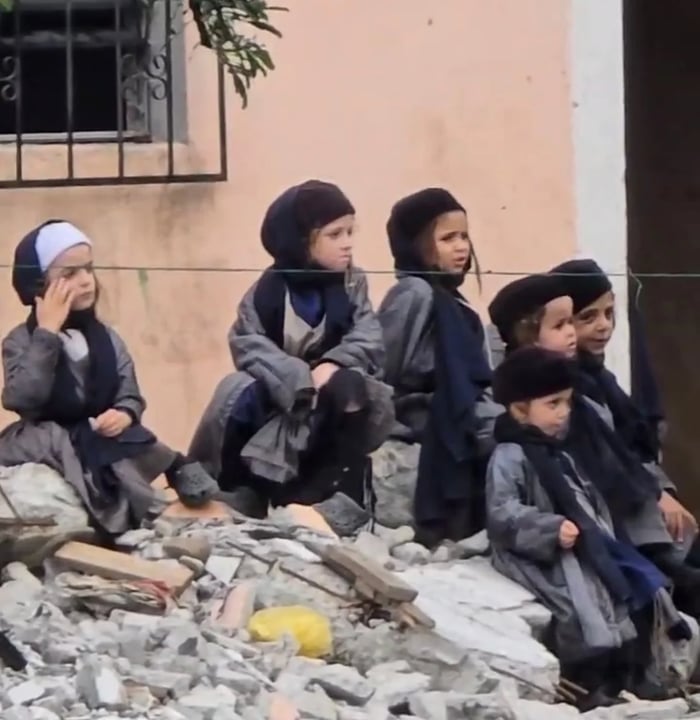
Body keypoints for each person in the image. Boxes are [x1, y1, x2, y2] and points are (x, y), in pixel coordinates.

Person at [487, 347, 683, 708]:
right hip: (541, 553)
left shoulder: (560, 452)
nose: (564, 413)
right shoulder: (510, 456)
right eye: (553, 404)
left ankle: (627, 679)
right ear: (519, 409)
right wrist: (550, 528)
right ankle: (584, 686)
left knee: (627, 590)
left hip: (584, 546)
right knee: (577, 605)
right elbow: (503, 514)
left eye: (567, 403)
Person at [188, 180, 394, 518]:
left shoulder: (352, 282)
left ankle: (338, 491)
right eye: (334, 235)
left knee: (350, 388)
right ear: (301, 241)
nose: (347, 244)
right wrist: (297, 379)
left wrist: (332, 363)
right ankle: (239, 489)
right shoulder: (266, 293)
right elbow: (248, 344)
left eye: (350, 232)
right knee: (236, 390)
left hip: (331, 396)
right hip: (283, 395)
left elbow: (368, 334)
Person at [0, 220, 218, 537]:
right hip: (46, 435)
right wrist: (47, 333)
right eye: (69, 275)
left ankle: (175, 472)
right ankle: (117, 516)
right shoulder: (22, 341)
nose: (86, 281)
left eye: (88, 269)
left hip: (97, 429)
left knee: (136, 440)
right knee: (78, 450)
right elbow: (23, 399)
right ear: (39, 286)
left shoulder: (106, 338)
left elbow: (129, 391)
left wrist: (125, 413)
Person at [550, 259, 700, 594]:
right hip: (624, 527)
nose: (603, 326)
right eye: (587, 317)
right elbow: (606, 464)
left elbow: (634, 448)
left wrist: (665, 493)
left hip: (647, 515)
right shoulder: (566, 392)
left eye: (608, 313)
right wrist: (656, 494)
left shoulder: (603, 383)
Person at [377, 188, 500, 547]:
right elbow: (386, 368)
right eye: (448, 238)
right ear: (415, 245)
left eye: (464, 236)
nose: (462, 247)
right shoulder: (414, 293)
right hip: (425, 417)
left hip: (463, 413)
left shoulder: (459, 306)